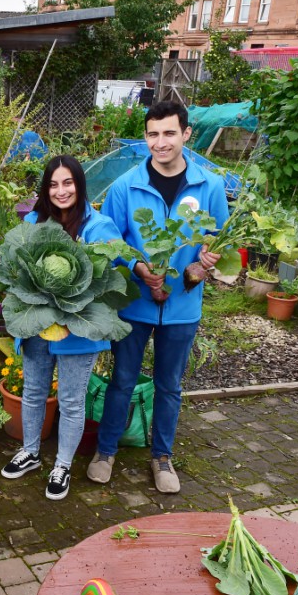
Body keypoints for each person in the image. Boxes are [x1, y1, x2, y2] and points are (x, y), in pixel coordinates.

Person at [87, 100, 229, 494]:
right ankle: (105, 451)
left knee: (170, 385)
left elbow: (218, 240)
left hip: (183, 304)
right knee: (121, 380)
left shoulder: (210, 186)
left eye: (169, 133)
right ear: (145, 136)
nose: (160, 142)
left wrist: (201, 267)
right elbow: (110, 242)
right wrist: (138, 269)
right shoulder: (125, 186)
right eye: (153, 134)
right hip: (135, 303)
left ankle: (162, 458)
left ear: (186, 134)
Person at [0, 156, 124, 501]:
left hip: (78, 328)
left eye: (68, 183)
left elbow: (106, 277)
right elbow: (13, 271)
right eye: (53, 184)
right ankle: (30, 452)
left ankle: (63, 465)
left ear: (80, 184)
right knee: (34, 391)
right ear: (45, 188)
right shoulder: (32, 221)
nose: (61, 191)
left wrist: (73, 307)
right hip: (36, 324)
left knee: (71, 400)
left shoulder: (99, 226)